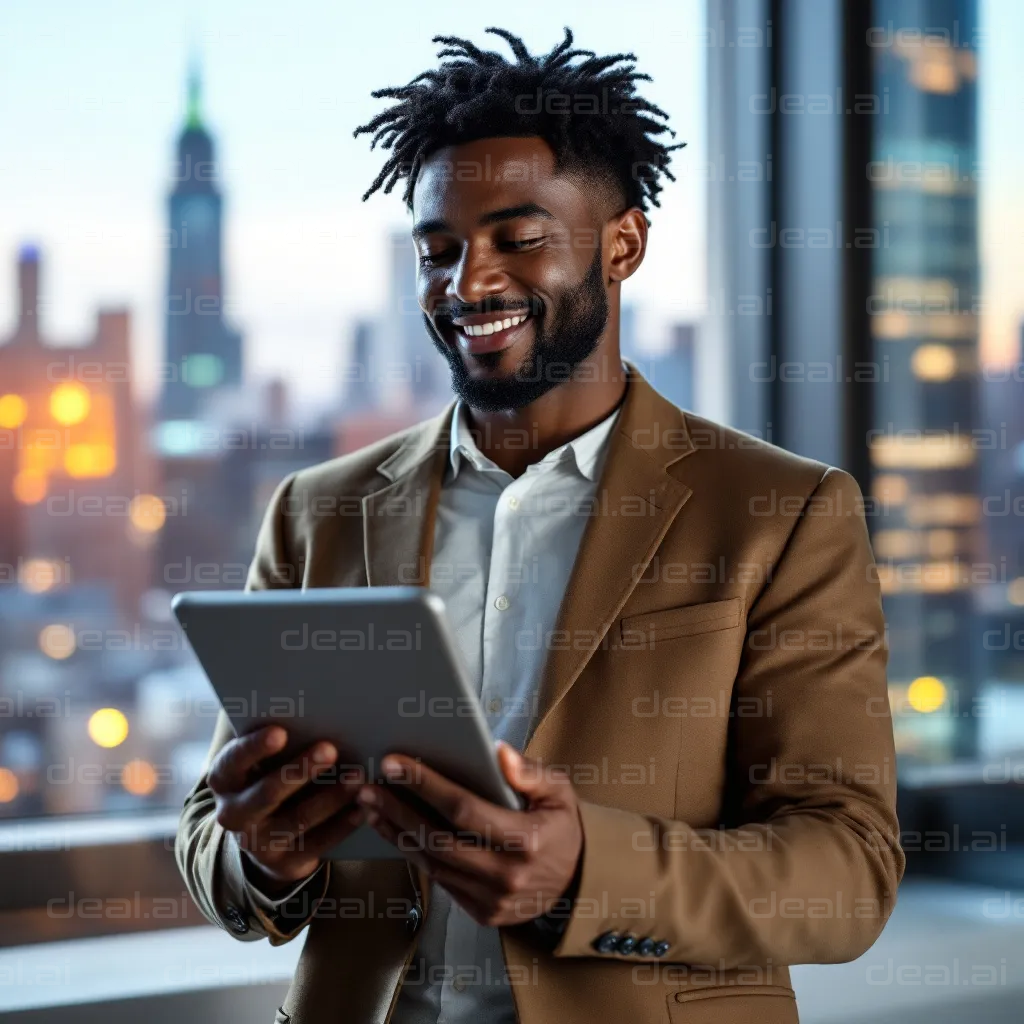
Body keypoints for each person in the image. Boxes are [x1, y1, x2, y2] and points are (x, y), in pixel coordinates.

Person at [176, 26, 904, 1024]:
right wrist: (260, 853)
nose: (468, 283)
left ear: (622, 244)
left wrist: (586, 873)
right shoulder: (320, 512)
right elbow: (209, 839)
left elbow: (847, 870)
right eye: (439, 250)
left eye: (518, 239)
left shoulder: (781, 512)